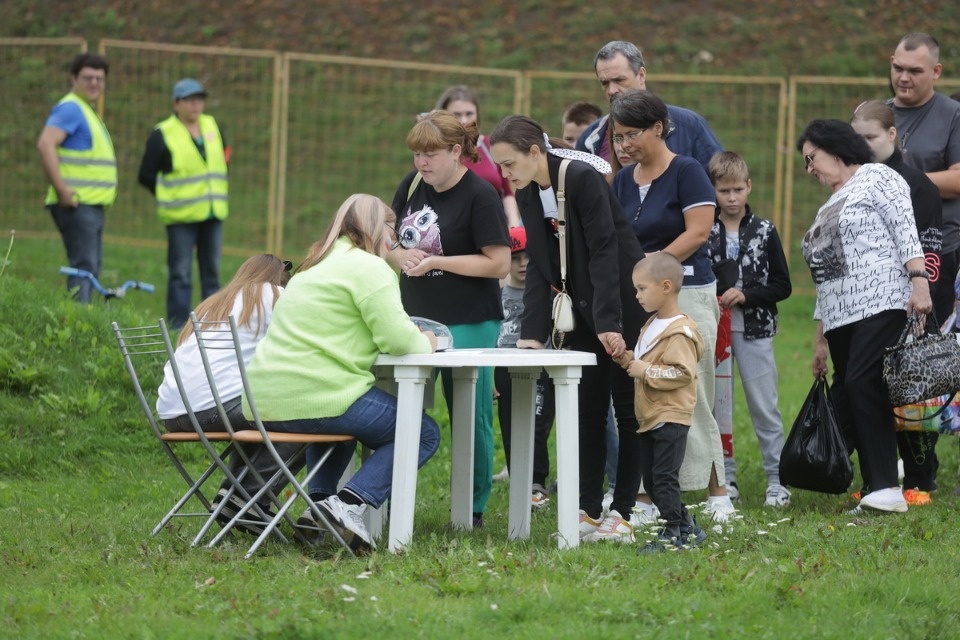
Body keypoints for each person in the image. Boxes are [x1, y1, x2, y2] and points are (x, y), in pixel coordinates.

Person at [241, 194, 442, 554]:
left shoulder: (311, 268)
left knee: (343, 425)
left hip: (263, 401)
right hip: (319, 396)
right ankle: (347, 505)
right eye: (393, 230)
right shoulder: (370, 268)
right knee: (423, 432)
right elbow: (398, 339)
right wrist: (427, 340)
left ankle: (319, 505)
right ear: (381, 230)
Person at [488, 114, 648, 544]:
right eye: (500, 166)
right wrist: (531, 334)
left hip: (620, 303)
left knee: (628, 410)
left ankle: (626, 512)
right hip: (578, 309)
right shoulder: (526, 193)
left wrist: (610, 324)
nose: (504, 174)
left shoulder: (579, 178)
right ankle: (590, 509)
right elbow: (540, 267)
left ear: (535, 152)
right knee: (587, 410)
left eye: (508, 164)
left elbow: (604, 251)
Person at [609, 90, 734, 524]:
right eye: (618, 137)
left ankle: (719, 492)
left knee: (690, 391)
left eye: (632, 135)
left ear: (658, 128)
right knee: (647, 394)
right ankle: (645, 497)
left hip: (689, 293)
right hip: (641, 300)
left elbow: (698, 232)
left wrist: (649, 267)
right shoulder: (623, 180)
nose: (624, 146)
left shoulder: (688, 171)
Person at [798, 119, 932, 514]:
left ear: (834, 149)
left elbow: (905, 229)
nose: (810, 169)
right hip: (840, 316)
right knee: (854, 390)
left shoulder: (877, 177)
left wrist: (919, 282)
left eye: (812, 159)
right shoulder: (828, 203)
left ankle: (889, 488)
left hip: (881, 301)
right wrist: (820, 338)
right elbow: (825, 276)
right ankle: (874, 486)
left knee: (862, 382)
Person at [389, 110, 511, 528]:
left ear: (456, 152)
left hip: (470, 319)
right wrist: (400, 255)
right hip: (414, 318)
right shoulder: (411, 186)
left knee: (470, 414)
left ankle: (472, 507)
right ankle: (386, 496)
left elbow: (498, 264)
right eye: (416, 155)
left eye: (430, 154)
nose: (421, 163)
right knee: (399, 405)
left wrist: (439, 261)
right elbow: (387, 245)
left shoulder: (481, 195)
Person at [157, 254, 299, 533]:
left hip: (174, 411)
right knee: (309, 419)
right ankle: (249, 499)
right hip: (215, 407)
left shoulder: (214, 303)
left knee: (258, 415)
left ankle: (237, 497)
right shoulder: (273, 295)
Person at [851, 99, 943, 506]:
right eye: (856, 140)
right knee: (871, 389)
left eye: (870, 138)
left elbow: (928, 252)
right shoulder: (855, 182)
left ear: (891, 135)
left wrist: (922, 300)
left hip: (911, 302)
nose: (864, 146)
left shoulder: (916, 184)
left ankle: (921, 480)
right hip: (867, 303)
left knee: (913, 389)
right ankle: (879, 479)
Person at [887, 33, 960, 496]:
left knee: (923, 362)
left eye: (914, 70)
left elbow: (957, 178)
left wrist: (897, 181)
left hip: (937, 251)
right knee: (882, 359)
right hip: (881, 254)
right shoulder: (876, 115)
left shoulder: (952, 115)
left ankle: (920, 471)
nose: (903, 77)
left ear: (935, 71)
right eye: (897, 66)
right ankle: (883, 463)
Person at [705, 151, 793, 507]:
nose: (731, 197)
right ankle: (725, 478)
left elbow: (783, 285)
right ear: (714, 190)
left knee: (764, 405)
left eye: (738, 189)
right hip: (714, 332)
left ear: (749, 187)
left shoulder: (765, 231)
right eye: (724, 190)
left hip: (755, 330)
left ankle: (777, 479)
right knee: (717, 407)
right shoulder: (703, 229)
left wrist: (748, 295)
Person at [614, 253, 706, 553]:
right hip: (650, 415)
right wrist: (627, 358)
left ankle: (674, 533)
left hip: (671, 415)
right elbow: (644, 363)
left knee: (663, 479)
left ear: (666, 286)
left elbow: (683, 373)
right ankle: (686, 526)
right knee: (653, 480)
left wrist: (647, 371)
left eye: (642, 288)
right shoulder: (651, 325)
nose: (636, 295)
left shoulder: (680, 331)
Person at [138, 78, 229, 329]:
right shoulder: (162, 133)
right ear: (176, 103)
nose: (195, 104)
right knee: (181, 274)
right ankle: (179, 327)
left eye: (199, 99)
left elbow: (223, 160)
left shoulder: (212, 126)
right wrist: (169, 195)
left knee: (212, 274)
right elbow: (146, 175)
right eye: (189, 100)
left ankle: (212, 325)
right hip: (181, 218)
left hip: (212, 213)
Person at [37, 53, 116, 303]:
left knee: (89, 268)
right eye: (88, 77)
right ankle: (76, 323)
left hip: (89, 204)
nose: (94, 83)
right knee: (84, 268)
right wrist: (61, 189)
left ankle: (80, 320)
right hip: (76, 203)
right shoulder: (71, 108)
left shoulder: (86, 111)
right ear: (74, 78)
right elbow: (45, 144)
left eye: (99, 79)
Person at [576, 40, 723, 173]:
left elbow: (722, 182)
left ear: (641, 75)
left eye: (619, 80)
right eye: (604, 83)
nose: (611, 90)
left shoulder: (688, 125)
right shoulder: (591, 138)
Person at [494, 226, 554, 508]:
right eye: (515, 257)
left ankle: (536, 483)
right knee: (509, 423)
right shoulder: (496, 296)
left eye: (528, 257)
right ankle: (518, 478)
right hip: (504, 368)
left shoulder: (549, 296)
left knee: (537, 423)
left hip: (541, 370)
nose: (523, 264)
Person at [432, 85, 521, 226]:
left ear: (477, 115)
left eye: (469, 114)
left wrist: (514, 224)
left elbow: (507, 192)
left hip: (495, 230)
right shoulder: (434, 151)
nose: (463, 120)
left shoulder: (489, 145)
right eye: (456, 114)